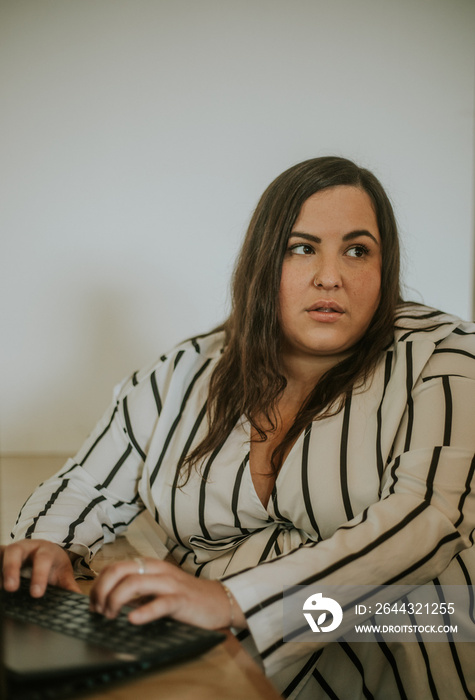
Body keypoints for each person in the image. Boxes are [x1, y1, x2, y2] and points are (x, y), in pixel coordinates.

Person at [2, 156, 475, 699]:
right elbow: (88, 483)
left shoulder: (448, 356)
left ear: (384, 266)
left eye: (356, 250)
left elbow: (430, 517)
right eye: (302, 247)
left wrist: (234, 601)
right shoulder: (186, 371)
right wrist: (44, 543)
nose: (330, 276)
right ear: (261, 261)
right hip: (223, 668)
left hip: (398, 663)